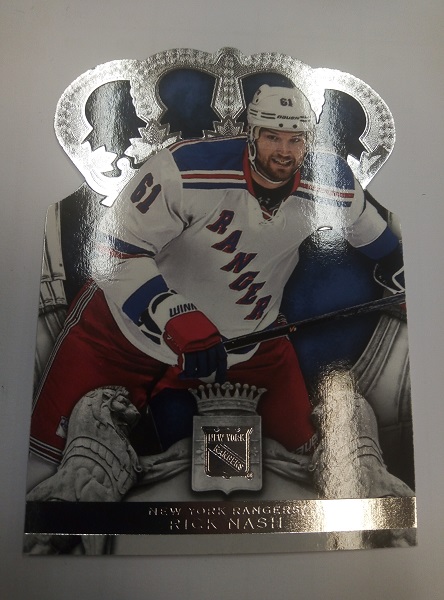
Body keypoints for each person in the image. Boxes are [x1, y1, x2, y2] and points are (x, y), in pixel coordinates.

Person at [29, 85, 403, 476]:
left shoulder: (332, 180)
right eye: (272, 137)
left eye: (295, 140)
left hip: (248, 345)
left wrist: (400, 272)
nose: (284, 150)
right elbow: (113, 249)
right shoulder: (183, 168)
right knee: (48, 469)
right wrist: (172, 311)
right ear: (251, 135)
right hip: (122, 334)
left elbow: (373, 237)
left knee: (309, 471)